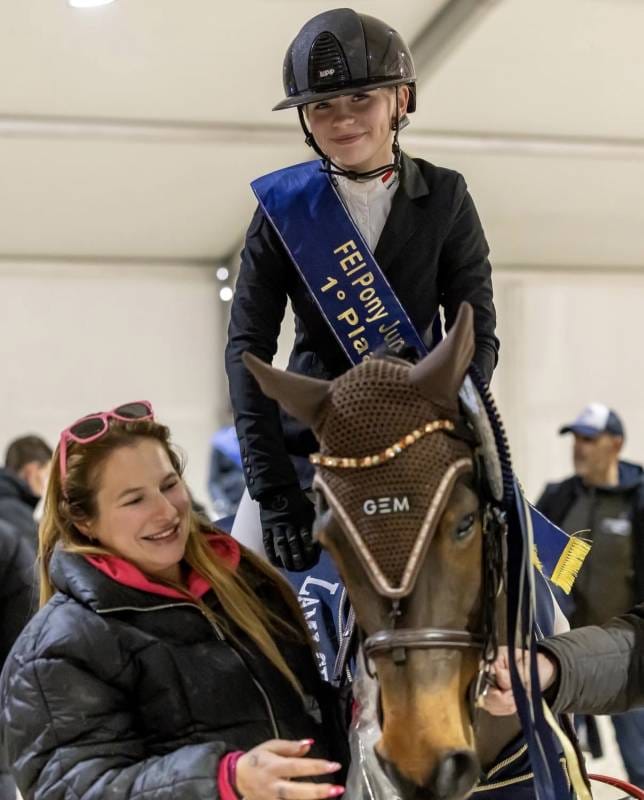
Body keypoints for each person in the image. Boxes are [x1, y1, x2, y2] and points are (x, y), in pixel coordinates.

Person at [225, 8, 499, 573]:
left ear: (401, 100)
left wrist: (447, 424)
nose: (342, 120)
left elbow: (478, 333)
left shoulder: (446, 196)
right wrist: (274, 493)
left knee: (533, 590)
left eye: (362, 100)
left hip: (423, 438)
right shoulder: (283, 210)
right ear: (305, 118)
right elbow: (246, 350)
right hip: (313, 447)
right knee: (239, 605)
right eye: (323, 106)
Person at [0, 402, 347, 800]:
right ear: (84, 521)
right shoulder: (58, 649)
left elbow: (313, 715)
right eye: (134, 500)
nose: (166, 512)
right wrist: (223, 781)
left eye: (169, 485)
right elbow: (72, 789)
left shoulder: (248, 583)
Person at [535, 403, 644, 786]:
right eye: (576, 439)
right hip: (565, 654)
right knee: (565, 761)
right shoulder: (560, 496)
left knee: (640, 760)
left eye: (589, 439)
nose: (579, 448)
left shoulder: (638, 499)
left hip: (626, 654)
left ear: (615, 444)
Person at [0, 435, 52, 555]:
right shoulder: (14, 513)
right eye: (48, 473)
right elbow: (33, 567)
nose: (48, 484)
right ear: (32, 471)